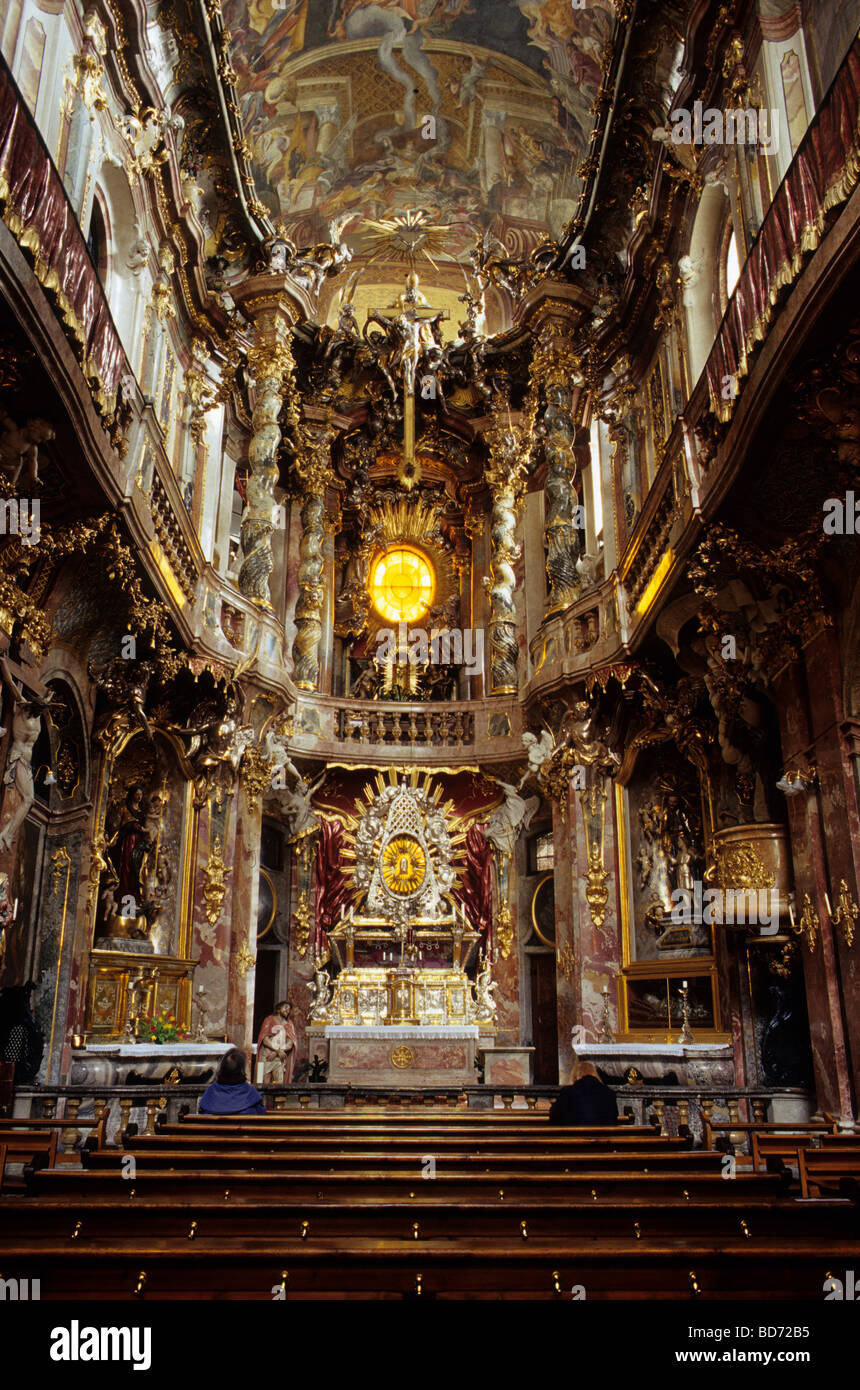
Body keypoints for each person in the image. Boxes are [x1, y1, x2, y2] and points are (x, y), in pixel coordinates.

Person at [198, 1047, 266, 1115]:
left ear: (222, 1067)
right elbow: (261, 1114)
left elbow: (202, 1112)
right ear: (242, 1069)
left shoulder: (210, 1093)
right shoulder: (251, 1094)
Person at [548, 1060, 618, 1125]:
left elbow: (554, 1117)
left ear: (575, 1076)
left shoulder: (567, 1092)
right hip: (604, 1136)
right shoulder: (609, 1093)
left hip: (573, 1136)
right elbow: (614, 1118)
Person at [255, 1000, 297, 1084]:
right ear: (278, 1009)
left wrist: (277, 1052)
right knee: (264, 1082)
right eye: (285, 1007)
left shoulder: (289, 1024)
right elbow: (265, 1040)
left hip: (279, 1057)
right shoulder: (269, 1020)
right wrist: (278, 1051)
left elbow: (290, 1043)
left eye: (289, 1009)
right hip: (267, 1055)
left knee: (278, 1082)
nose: (287, 1010)